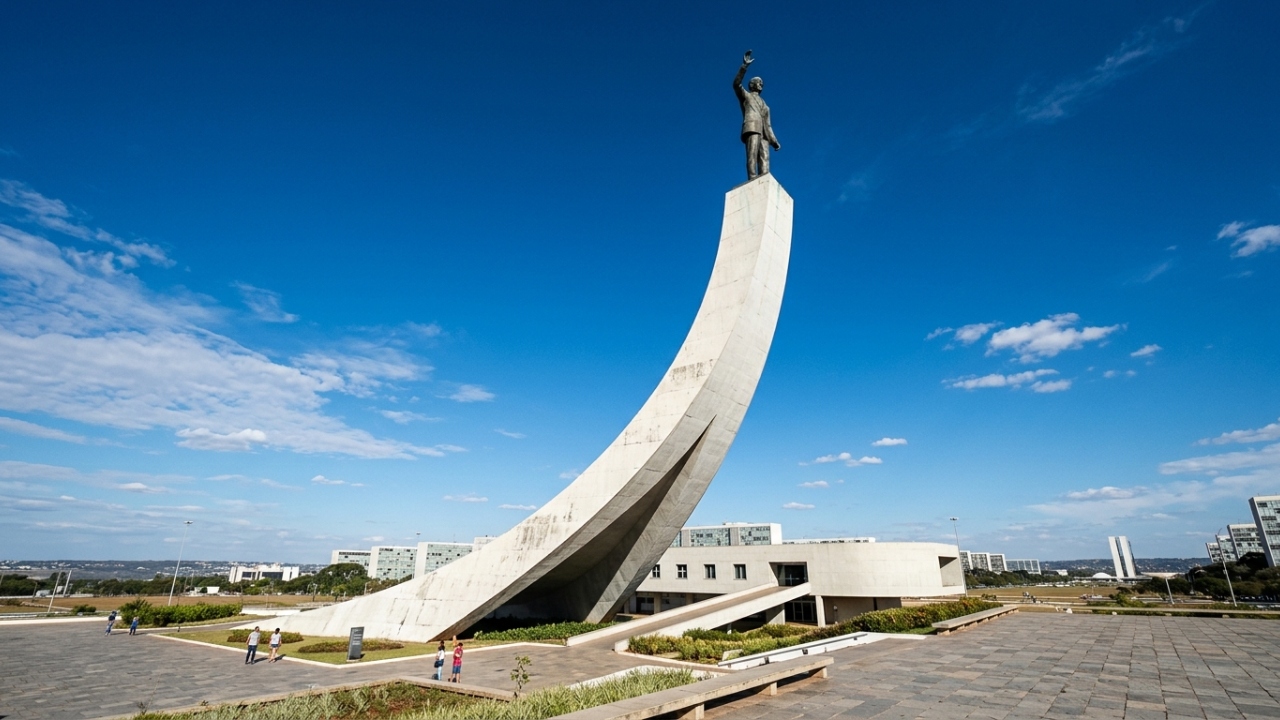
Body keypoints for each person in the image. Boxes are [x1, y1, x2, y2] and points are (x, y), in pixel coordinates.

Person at [733, 50, 781, 181]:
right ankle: (752, 179)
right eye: (759, 83)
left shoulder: (766, 106)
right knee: (752, 156)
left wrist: (774, 141)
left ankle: (764, 180)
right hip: (752, 128)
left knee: (765, 158)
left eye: (762, 84)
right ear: (752, 85)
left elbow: (768, 125)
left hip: (764, 134)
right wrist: (744, 66)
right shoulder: (746, 96)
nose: (761, 85)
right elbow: (736, 84)